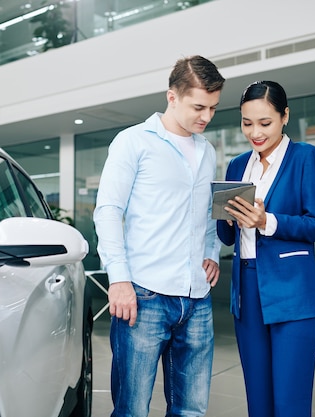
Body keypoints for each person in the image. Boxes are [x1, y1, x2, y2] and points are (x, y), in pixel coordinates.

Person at [93, 55, 225, 417]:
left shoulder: (207, 151)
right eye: (199, 107)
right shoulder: (133, 142)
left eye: (213, 108)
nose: (207, 117)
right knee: (132, 409)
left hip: (196, 299)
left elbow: (206, 213)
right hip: (144, 293)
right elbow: (108, 211)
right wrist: (118, 279)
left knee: (191, 409)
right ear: (172, 96)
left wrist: (211, 250)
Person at [216, 80, 315, 417]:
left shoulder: (306, 157)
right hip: (246, 290)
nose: (255, 132)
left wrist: (267, 221)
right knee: (258, 399)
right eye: (247, 123)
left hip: (293, 289)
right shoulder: (238, 165)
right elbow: (227, 236)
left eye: (264, 123)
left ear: (284, 116)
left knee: (289, 402)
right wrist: (229, 218)